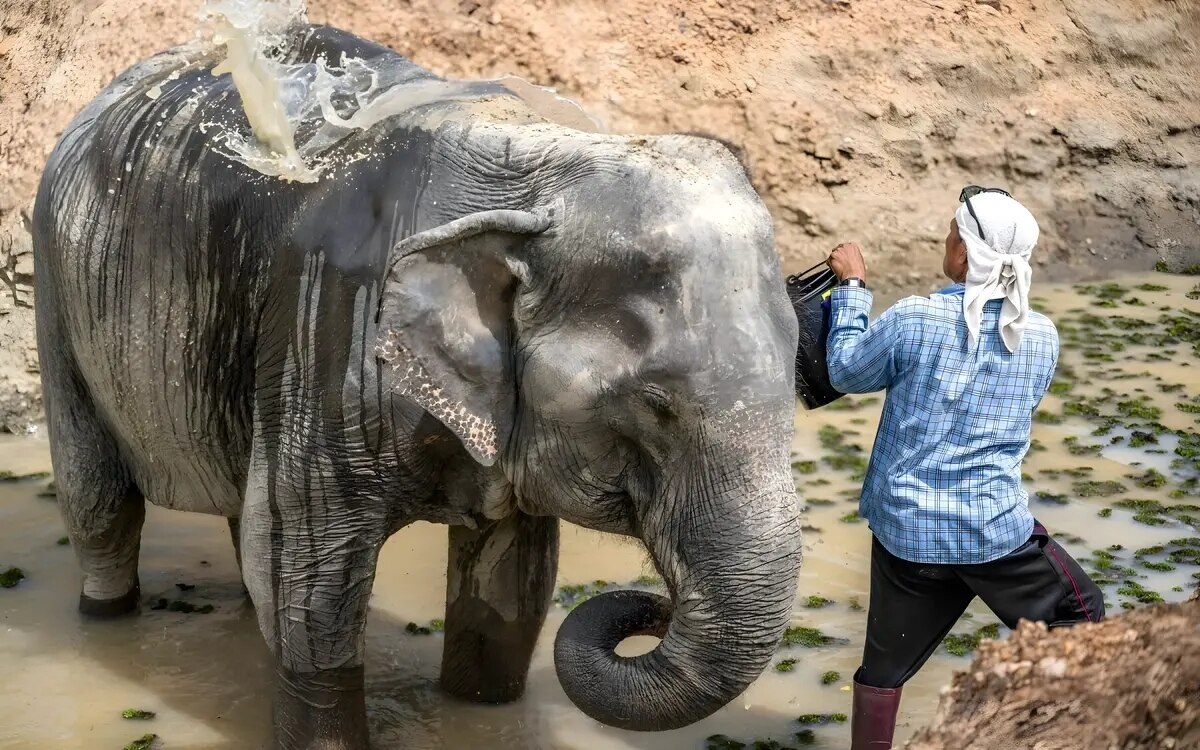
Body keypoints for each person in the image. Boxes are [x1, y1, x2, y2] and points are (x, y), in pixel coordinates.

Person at [823, 187, 1105, 749]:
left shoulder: (913, 319)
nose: (946, 241)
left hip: (910, 535)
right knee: (1081, 610)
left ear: (963, 255)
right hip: (995, 536)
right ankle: (1049, 730)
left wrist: (851, 289)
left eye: (953, 234)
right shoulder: (1041, 335)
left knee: (883, 671)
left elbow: (845, 373)